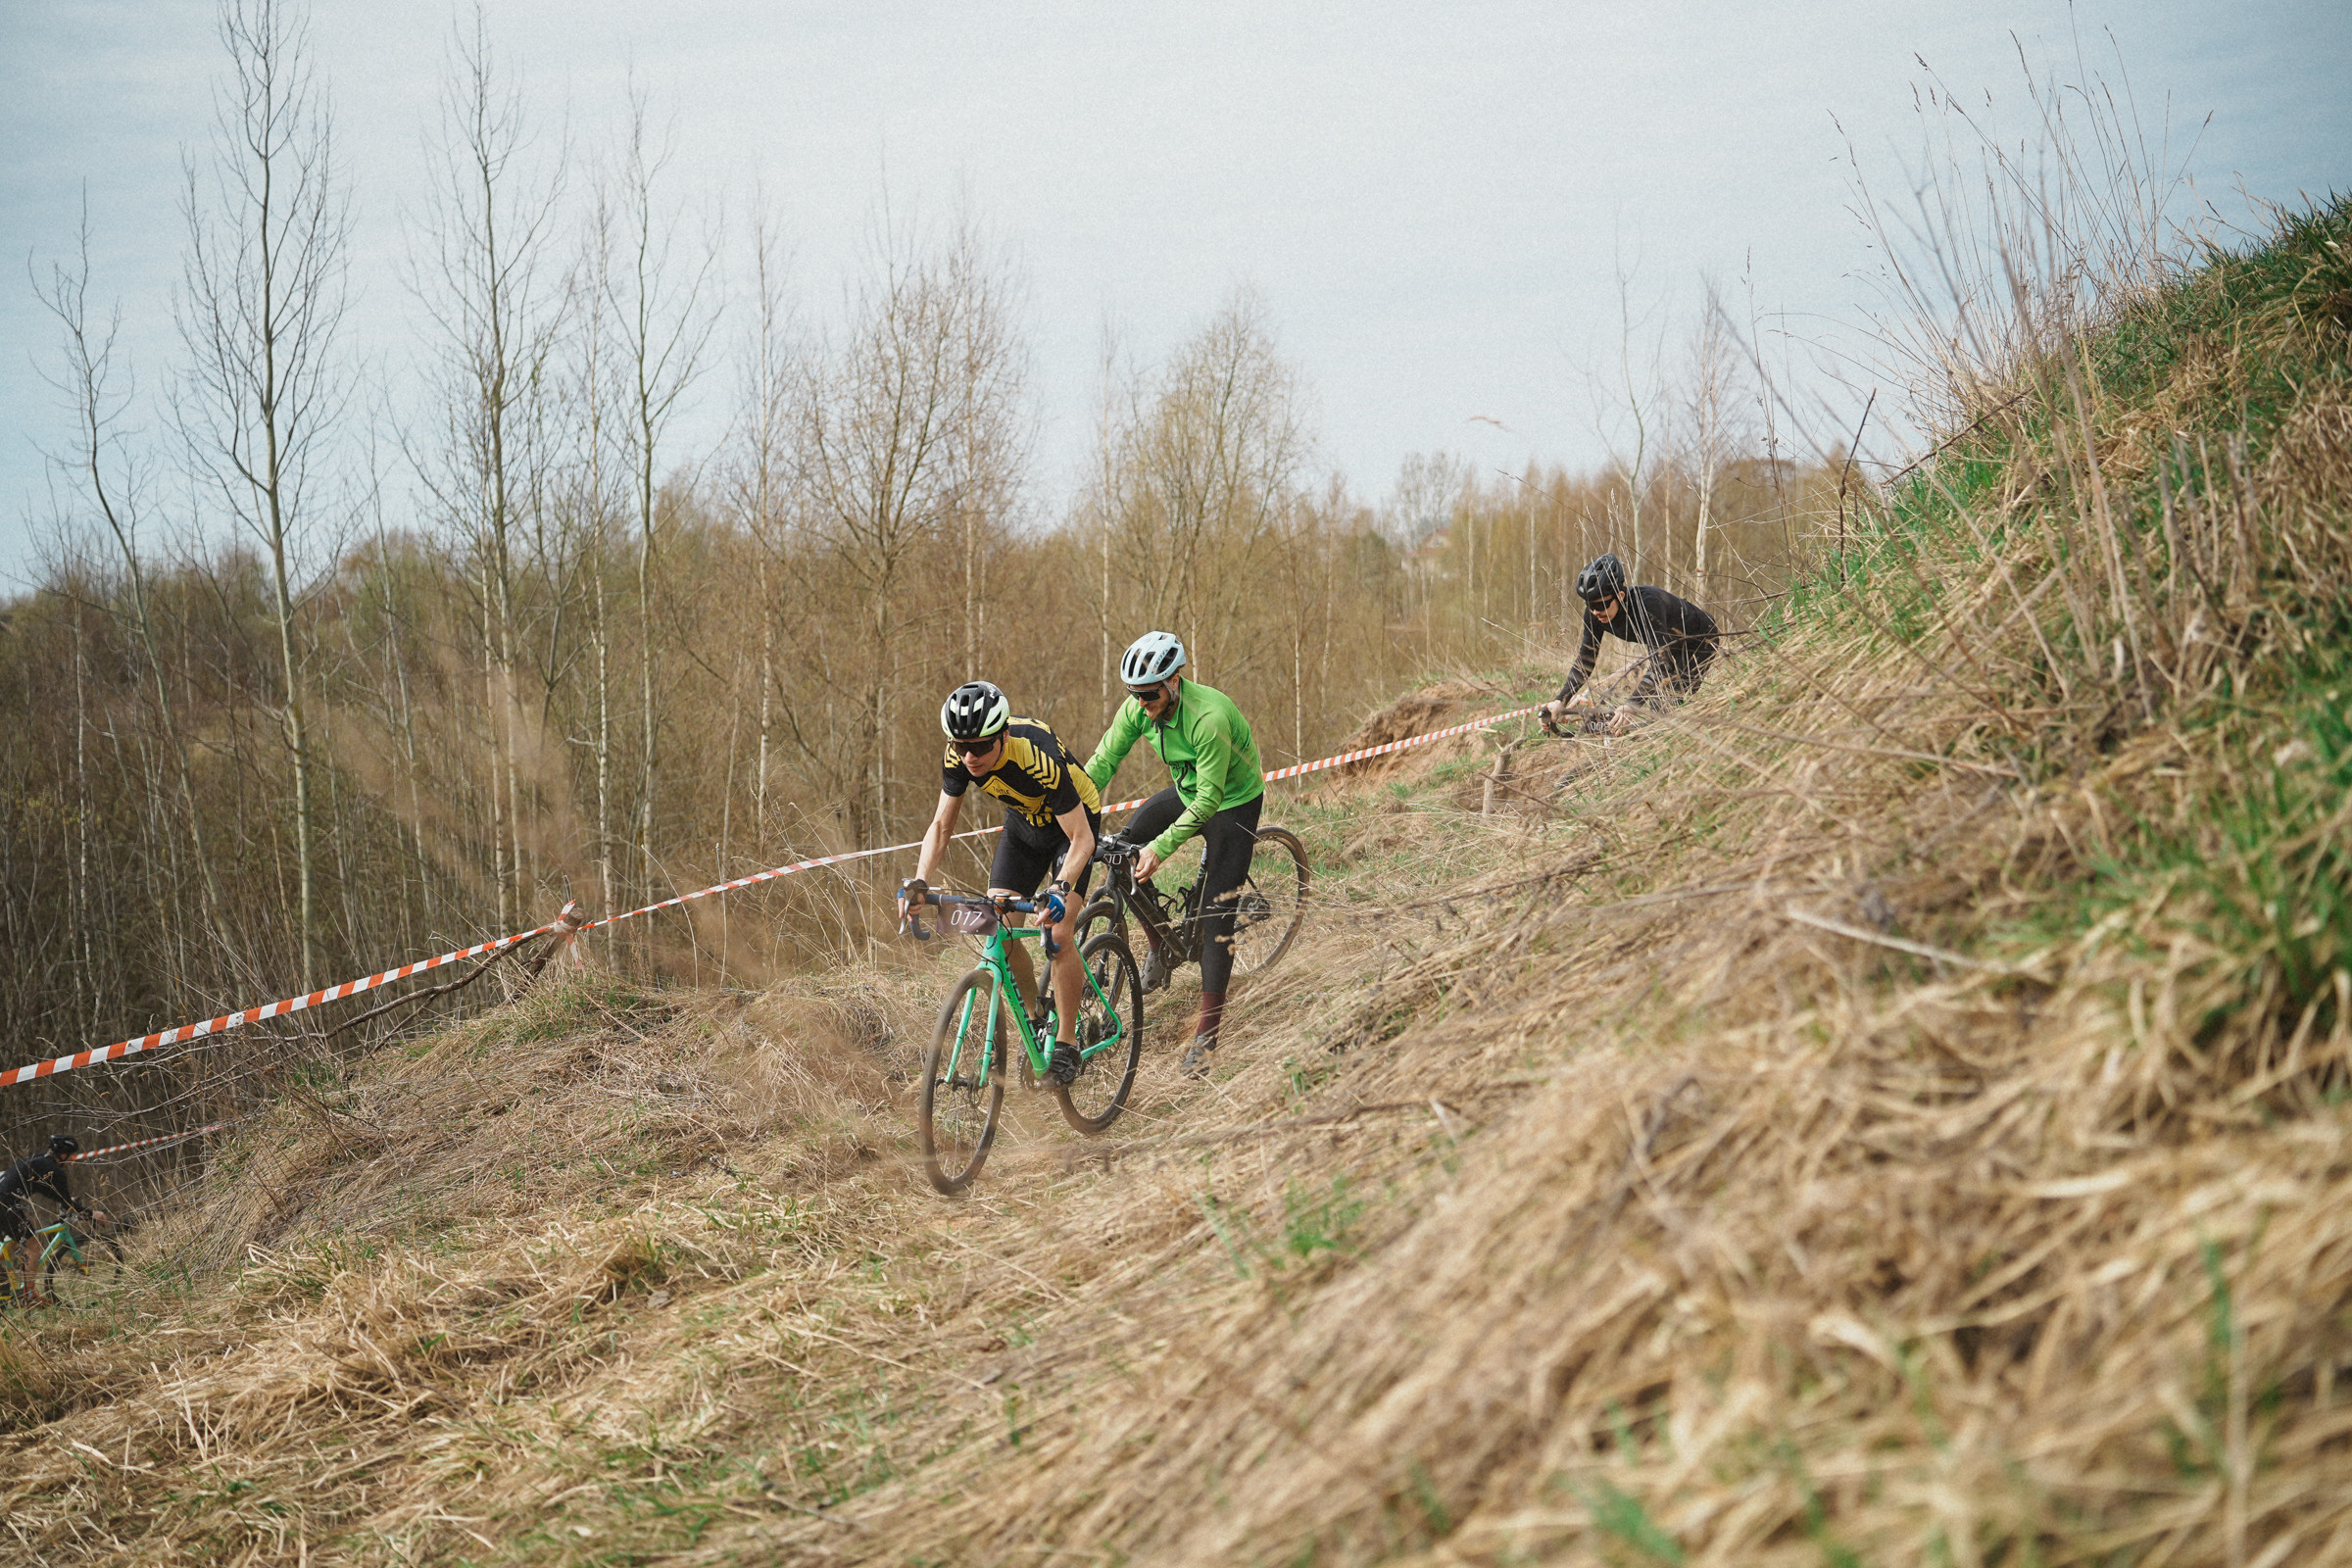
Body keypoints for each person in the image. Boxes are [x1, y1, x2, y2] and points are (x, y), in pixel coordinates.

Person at [901, 680, 1102, 1087]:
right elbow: (941, 825)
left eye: (979, 747)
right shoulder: (958, 755)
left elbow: (1082, 839)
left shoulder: (1036, 755)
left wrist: (1060, 888)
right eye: (961, 746)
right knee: (996, 923)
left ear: (1003, 736)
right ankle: (1036, 1018)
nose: (969, 756)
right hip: (1024, 826)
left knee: (1058, 931)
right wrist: (920, 880)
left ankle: (1067, 1042)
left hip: (1072, 828)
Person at [1085, 631, 1266, 1079]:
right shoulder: (1139, 708)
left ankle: (1208, 1035)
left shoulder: (1208, 718)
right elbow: (1103, 762)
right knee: (1123, 848)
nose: (1141, 703)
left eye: (1149, 694)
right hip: (1189, 791)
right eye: (1135, 694)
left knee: (1216, 918)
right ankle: (1159, 945)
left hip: (1231, 801)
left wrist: (1161, 848)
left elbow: (1208, 801)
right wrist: (1072, 810)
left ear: (1174, 682)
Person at [1540, 553, 1719, 736]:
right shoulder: (1594, 615)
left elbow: (1660, 664)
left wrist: (1631, 706)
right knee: (1656, 705)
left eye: (1600, 606)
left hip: (1701, 639)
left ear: (1620, 595)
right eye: (1589, 605)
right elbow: (1585, 660)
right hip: (1670, 643)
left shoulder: (1647, 605)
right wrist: (1560, 700)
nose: (1595, 612)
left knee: (1664, 705)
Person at [0, 1134, 105, 1301]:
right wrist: (92, 1214)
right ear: (63, 1154)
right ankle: (29, 1295)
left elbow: (53, 1194)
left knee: (28, 1222)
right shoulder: (55, 1171)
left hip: (6, 1202)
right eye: (71, 1155)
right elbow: (66, 1202)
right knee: (33, 1243)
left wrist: (67, 1202)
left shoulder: (39, 1159)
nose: (72, 1160)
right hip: (6, 1204)